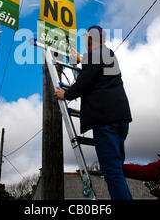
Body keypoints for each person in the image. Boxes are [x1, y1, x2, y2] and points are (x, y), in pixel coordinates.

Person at [54, 25, 133, 200]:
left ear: (90, 40)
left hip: (105, 120)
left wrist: (65, 94)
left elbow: (84, 82)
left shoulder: (95, 55)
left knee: (111, 172)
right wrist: (81, 59)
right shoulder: (108, 54)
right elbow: (96, 70)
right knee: (117, 171)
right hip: (120, 118)